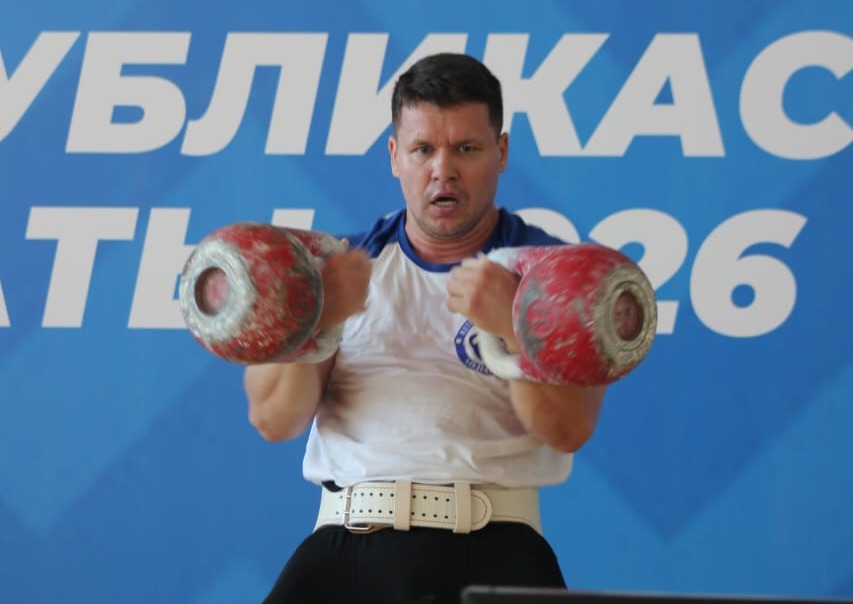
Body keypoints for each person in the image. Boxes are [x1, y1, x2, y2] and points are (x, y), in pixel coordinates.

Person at [244, 52, 606, 604]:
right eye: (423, 150)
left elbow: (567, 429)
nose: (443, 170)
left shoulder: (554, 277)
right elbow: (274, 419)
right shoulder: (334, 270)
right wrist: (319, 318)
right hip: (345, 549)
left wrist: (517, 325)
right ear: (395, 156)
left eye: (466, 148)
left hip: (494, 548)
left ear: (501, 152)